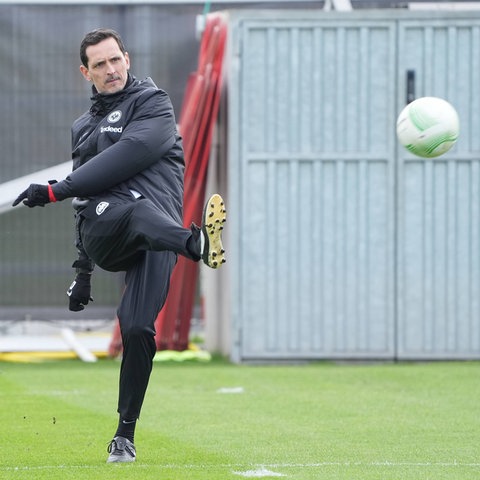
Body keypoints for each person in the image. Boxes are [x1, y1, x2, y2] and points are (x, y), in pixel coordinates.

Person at [12, 28, 226, 463]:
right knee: (130, 206)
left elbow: (131, 152)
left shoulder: (154, 104)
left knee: (136, 327)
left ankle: (124, 436)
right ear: (85, 72)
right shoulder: (84, 126)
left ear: (127, 58)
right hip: (105, 229)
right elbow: (87, 195)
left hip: (156, 236)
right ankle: (194, 242)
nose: (111, 70)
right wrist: (83, 272)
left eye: (115, 60)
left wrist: (55, 189)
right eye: (100, 64)